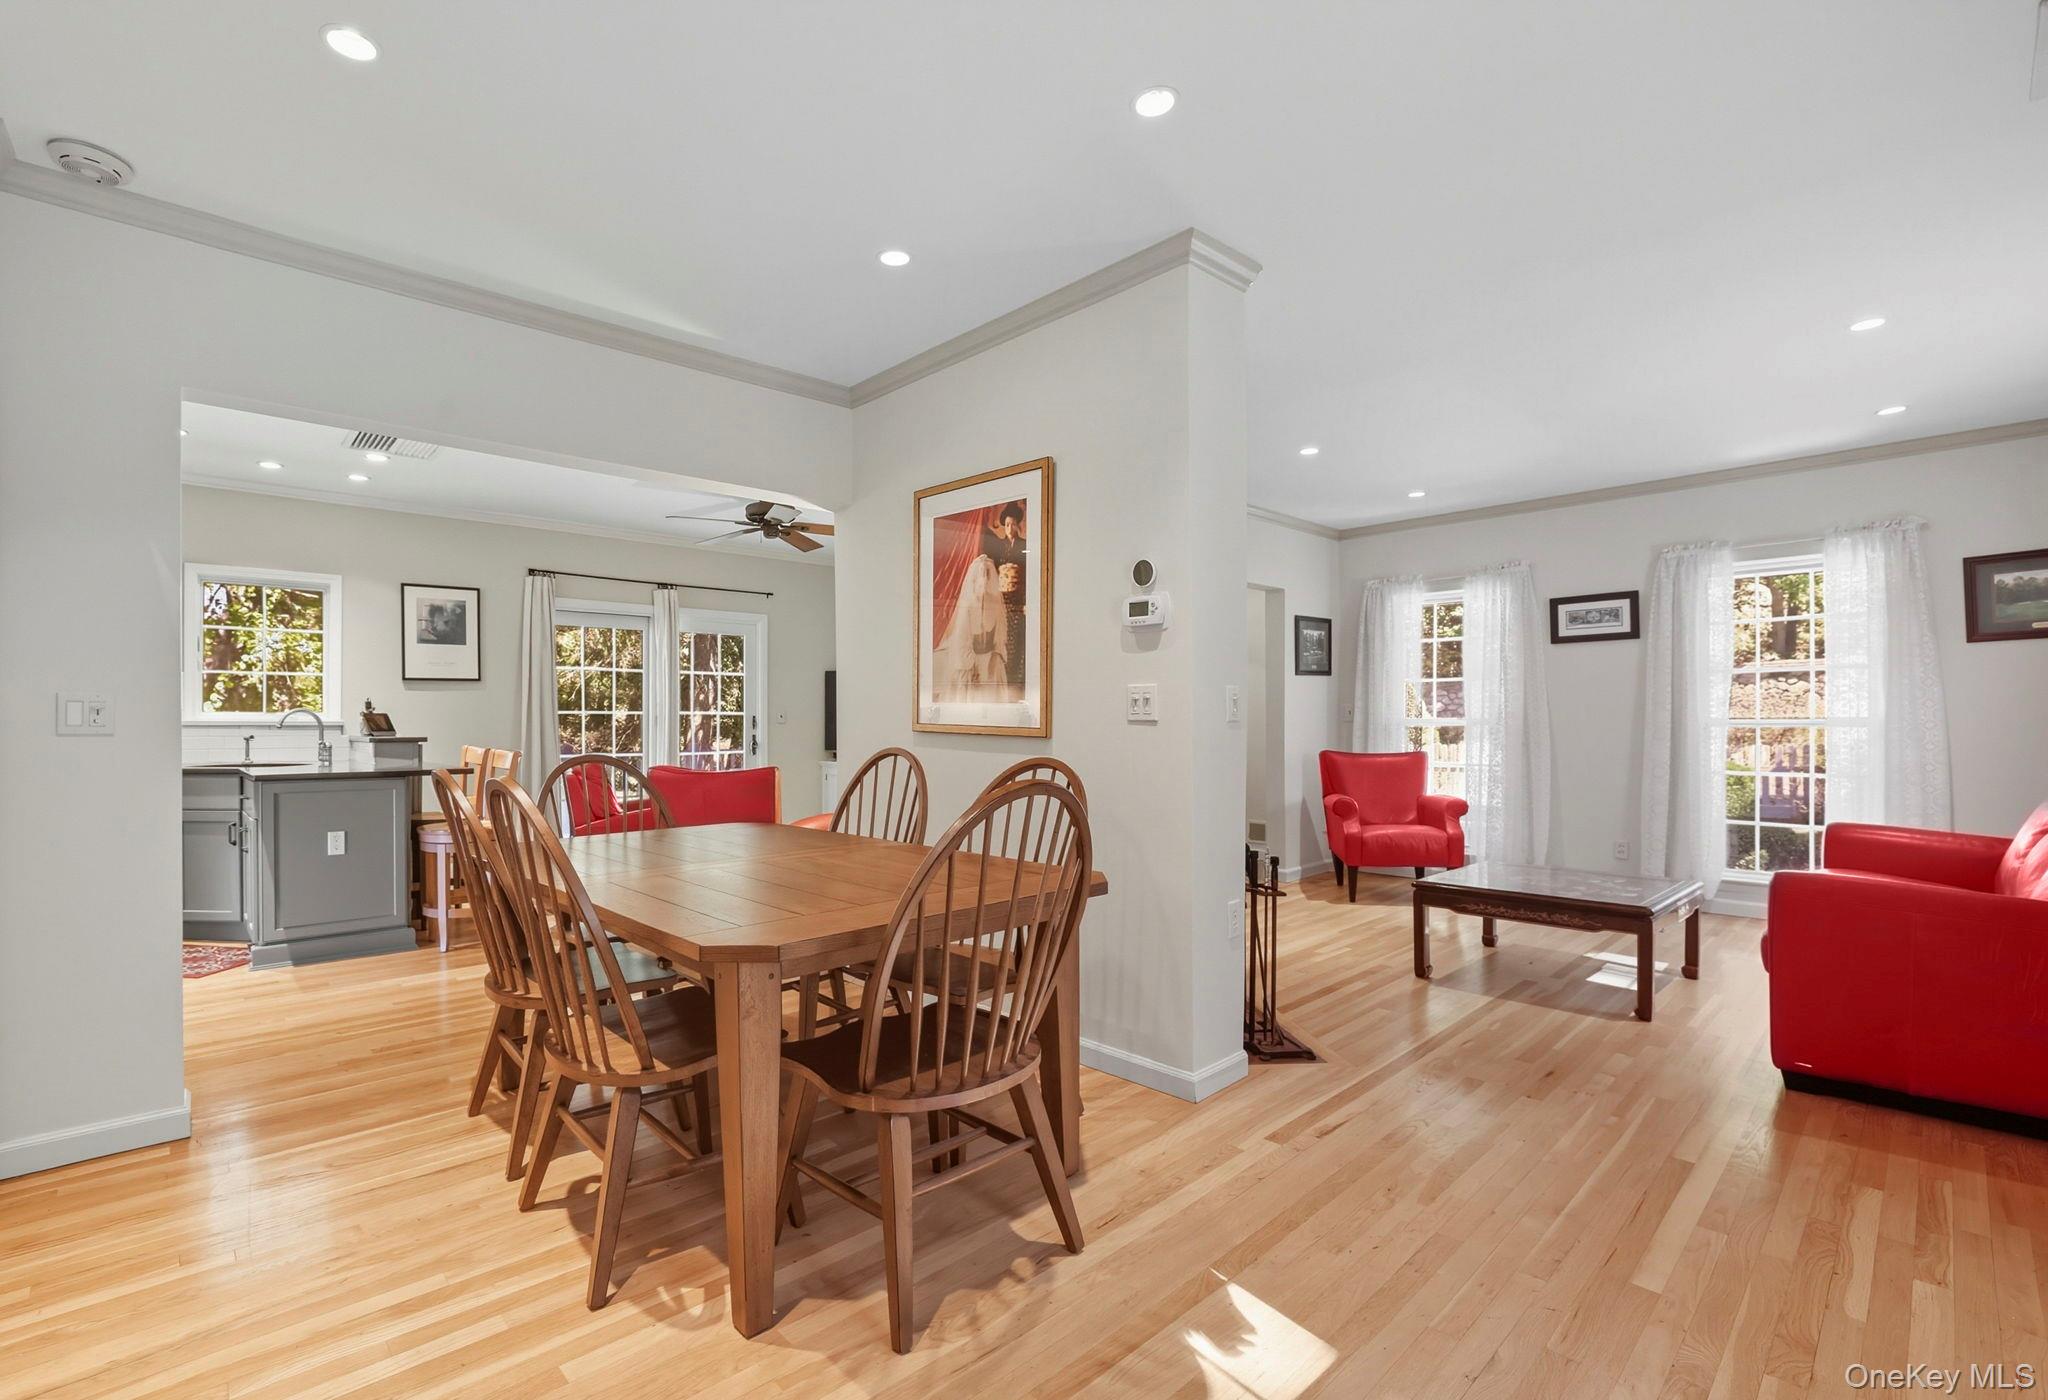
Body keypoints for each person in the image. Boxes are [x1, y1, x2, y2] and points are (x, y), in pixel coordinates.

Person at [980, 502, 1028, 694]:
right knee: (1003, 639)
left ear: (1018, 526)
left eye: (1013, 524)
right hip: (1002, 599)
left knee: (1018, 638)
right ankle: (1003, 679)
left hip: (1019, 599)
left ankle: (1017, 680)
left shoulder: (1025, 546)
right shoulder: (999, 547)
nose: (1010, 529)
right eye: (1007, 525)